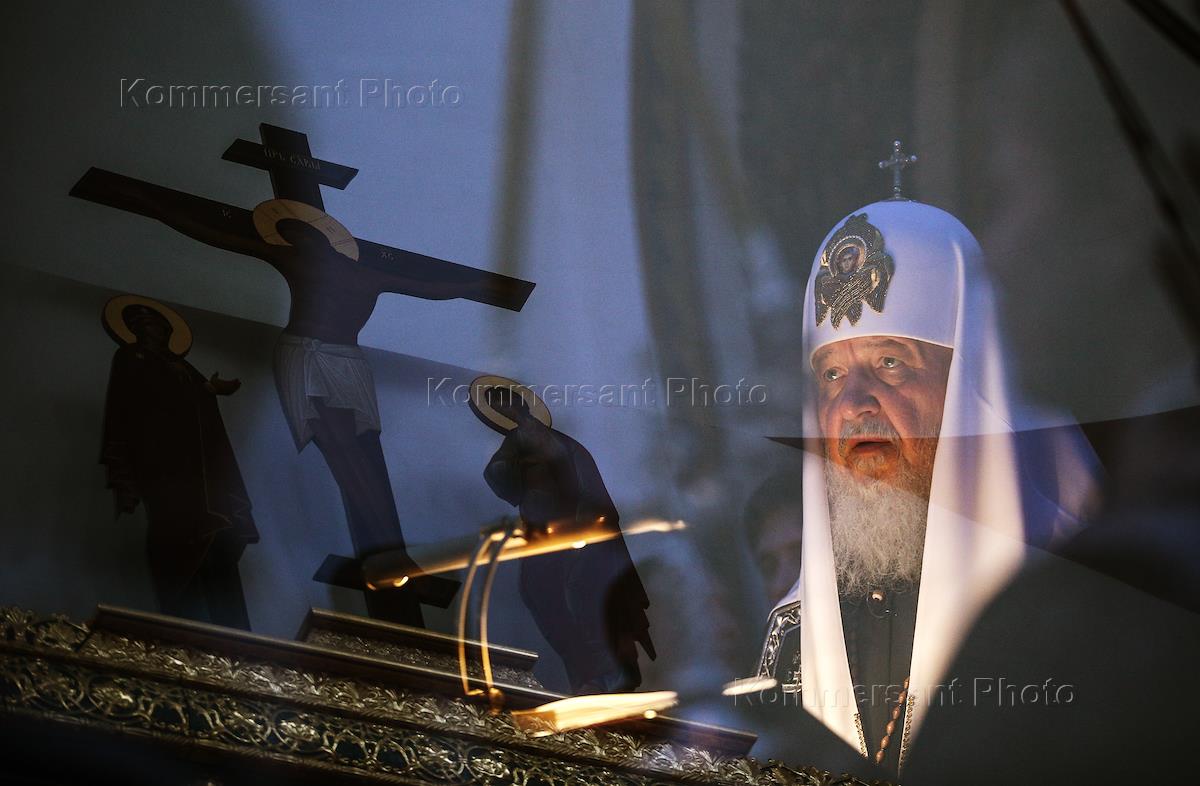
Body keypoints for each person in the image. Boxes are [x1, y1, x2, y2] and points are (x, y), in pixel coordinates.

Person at [747, 195, 1099, 775]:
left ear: (968, 386)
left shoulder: (1072, 595)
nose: (853, 405)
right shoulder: (793, 636)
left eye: (890, 363)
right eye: (831, 373)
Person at [472, 376, 655, 694]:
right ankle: (585, 673)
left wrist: (585, 525)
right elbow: (498, 475)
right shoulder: (515, 442)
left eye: (508, 402)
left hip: (575, 535)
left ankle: (609, 670)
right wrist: (515, 466)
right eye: (499, 406)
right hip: (542, 538)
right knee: (538, 594)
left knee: (584, 594)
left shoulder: (560, 443)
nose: (506, 409)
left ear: (520, 404)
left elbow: (586, 486)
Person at [100, 295, 258, 629]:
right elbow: (129, 407)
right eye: (142, 325)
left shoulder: (182, 365)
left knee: (216, 537)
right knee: (177, 534)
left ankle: (236, 633)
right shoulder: (131, 357)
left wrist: (210, 389)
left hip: (201, 469)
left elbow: (195, 402)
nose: (151, 330)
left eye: (156, 324)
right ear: (133, 330)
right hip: (163, 465)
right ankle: (185, 625)